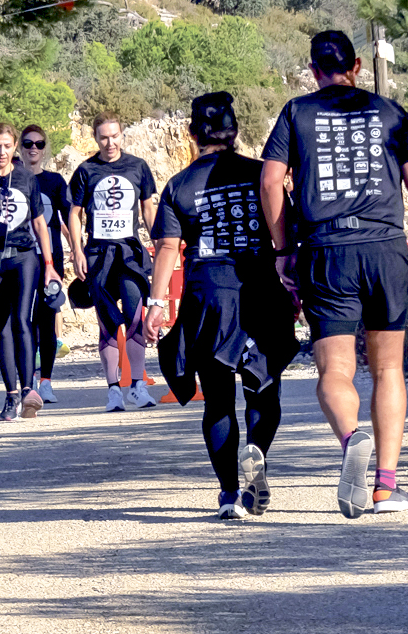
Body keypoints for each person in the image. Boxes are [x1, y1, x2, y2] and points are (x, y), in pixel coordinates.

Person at [261, 30, 408, 517]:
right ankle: (386, 487)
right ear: (356, 64)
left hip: (327, 250)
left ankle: (353, 438)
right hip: (385, 248)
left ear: (313, 70)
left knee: (334, 371)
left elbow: (270, 181)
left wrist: (282, 250)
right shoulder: (391, 113)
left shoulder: (296, 112)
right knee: (389, 368)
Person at [146, 92, 299, 520]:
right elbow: (284, 228)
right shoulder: (260, 175)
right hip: (260, 288)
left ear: (192, 135)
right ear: (235, 134)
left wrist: (156, 304)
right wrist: (295, 284)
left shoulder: (178, 186)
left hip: (208, 296)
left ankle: (230, 493)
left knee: (217, 401)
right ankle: (257, 454)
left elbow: (168, 248)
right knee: (263, 388)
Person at [0, 123, 62, 421]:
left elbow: (40, 223)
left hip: (24, 256)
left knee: (22, 319)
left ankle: (29, 389)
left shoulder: (26, 178)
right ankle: (10, 395)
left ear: (15, 147)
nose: (1, 152)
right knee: (1, 327)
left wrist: (49, 266)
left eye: (7, 146)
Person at [68, 112, 159, 412]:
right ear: (95, 138)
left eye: (114, 135)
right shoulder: (85, 170)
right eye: (103, 137)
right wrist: (77, 251)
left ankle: (138, 386)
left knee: (135, 318)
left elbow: (148, 211)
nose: (110, 142)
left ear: (122, 135)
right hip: (98, 255)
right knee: (107, 324)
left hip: (130, 254)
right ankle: (113, 391)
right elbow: (74, 214)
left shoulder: (138, 167)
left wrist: (161, 245)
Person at [20, 124, 70, 405]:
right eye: (28, 144)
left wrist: (79, 249)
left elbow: (71, 216)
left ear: (45, 147)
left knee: (47, 320)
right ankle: (25, 383)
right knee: (22, 322)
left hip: (51, 260)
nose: (33, 149)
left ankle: (46, 380)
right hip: (20, 260)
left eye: (39, 144)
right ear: (21, 148)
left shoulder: (55, 182)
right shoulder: (12, 181)